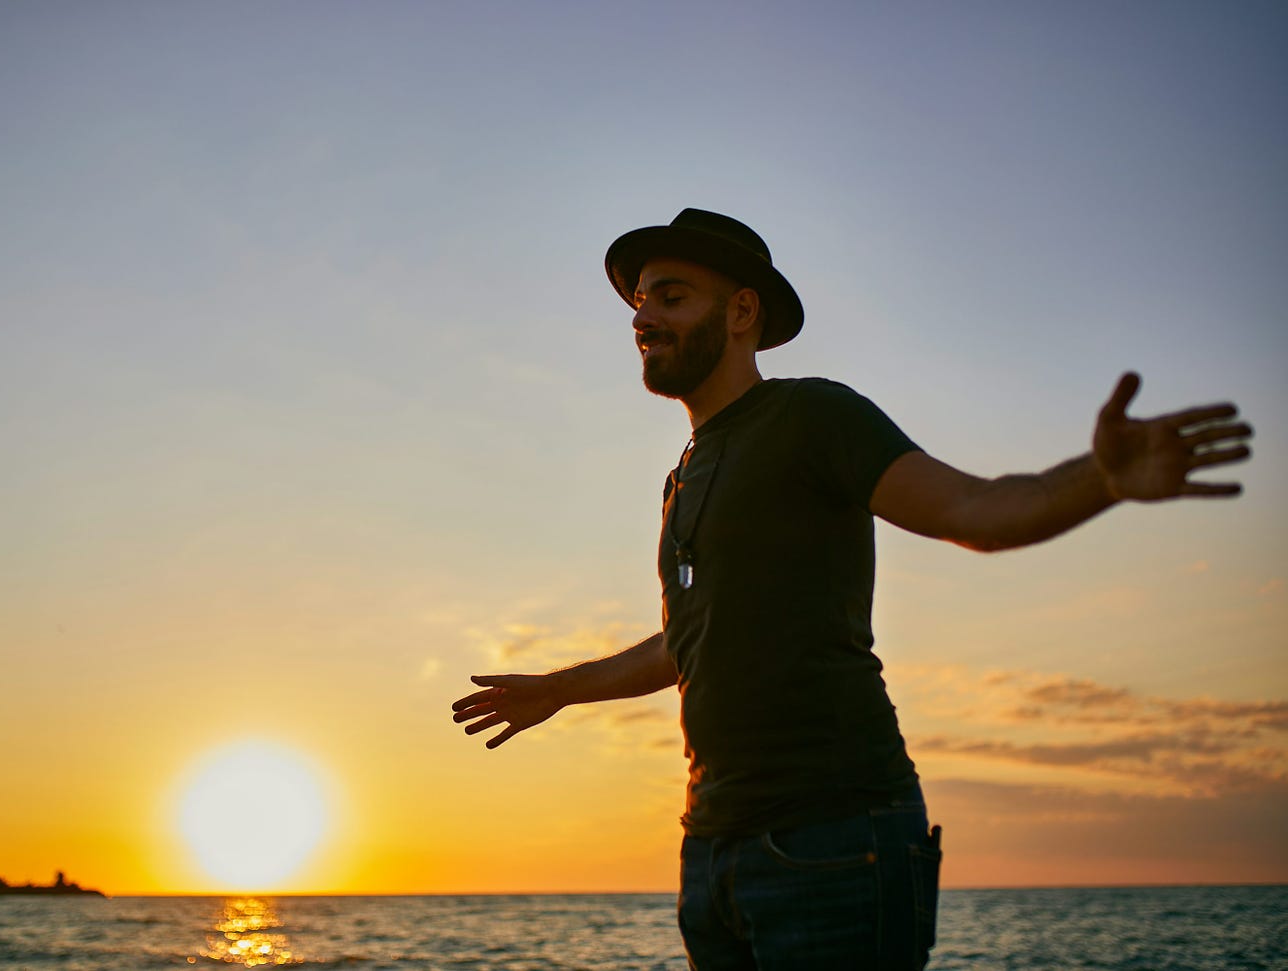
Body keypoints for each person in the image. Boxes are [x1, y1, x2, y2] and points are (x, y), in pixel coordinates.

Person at [450, 208, 1253, 970]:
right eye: (638, 300)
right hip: (713, 850)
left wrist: (1100, 479)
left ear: (740, 313)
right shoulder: (682, 476)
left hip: (834, 837)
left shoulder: (813, 416)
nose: (642, 317)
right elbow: (687, 639)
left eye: (670, 295)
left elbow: (973, 509)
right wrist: (559, 688)